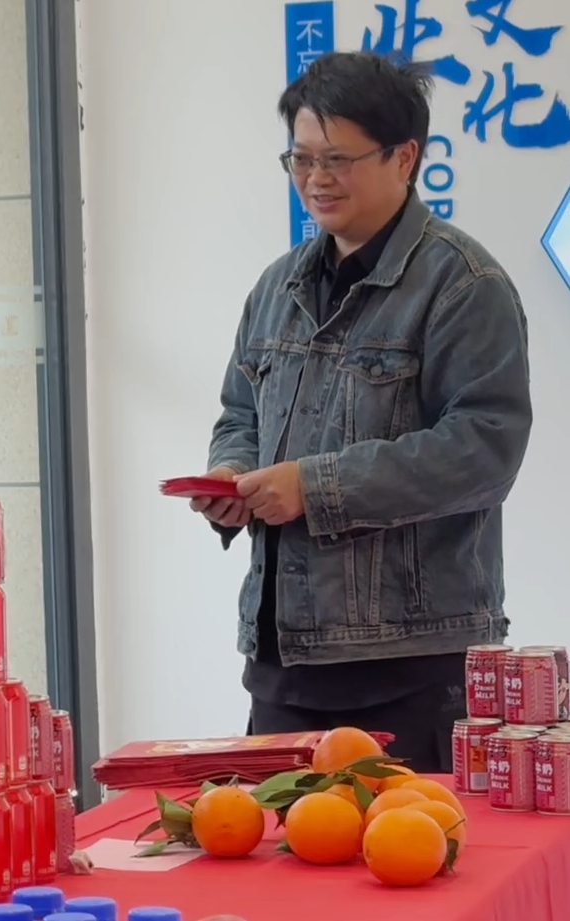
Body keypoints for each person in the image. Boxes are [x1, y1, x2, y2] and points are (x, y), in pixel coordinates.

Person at [195, 52, 532, 772]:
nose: (316, 179)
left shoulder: (462, 285)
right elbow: (239, 411)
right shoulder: (276, 286)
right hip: (282, 657)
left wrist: (313, 487)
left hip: (410, 664)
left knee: (412, 841)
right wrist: (231, 473)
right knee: (275, 844)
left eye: (338, 159)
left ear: (403, 157)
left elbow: (484, 450)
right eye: (300, 158)